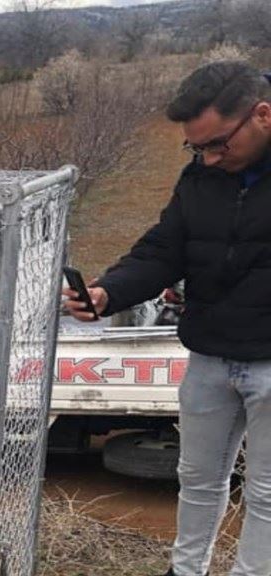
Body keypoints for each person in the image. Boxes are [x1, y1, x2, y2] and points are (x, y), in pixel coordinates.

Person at [64, 61, 271, 576]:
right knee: (197, 480)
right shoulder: (201, 175)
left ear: (262, 116)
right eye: (196, 148)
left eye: (218, 143)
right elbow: (164, 249)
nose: (208, 157)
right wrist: (107, 293)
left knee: (267, 494)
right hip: (209, 356)